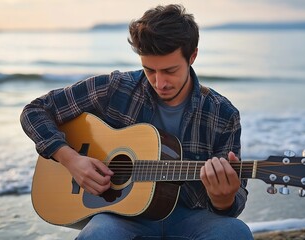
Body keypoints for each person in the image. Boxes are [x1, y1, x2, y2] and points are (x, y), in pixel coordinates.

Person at [20, 4, 253, 240]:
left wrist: (223, 199)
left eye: (170, 71)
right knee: (98, 235)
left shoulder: (222, 113)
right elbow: (35, 111)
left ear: (192, 56)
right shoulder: (116, 88)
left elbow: (235, 201)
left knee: (236, 233)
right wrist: (71, 159)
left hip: (191, 217)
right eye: (149, 70)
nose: (159, 82)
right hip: (121, 217)